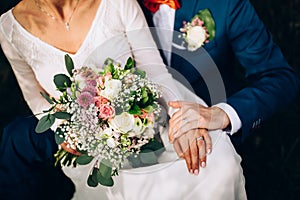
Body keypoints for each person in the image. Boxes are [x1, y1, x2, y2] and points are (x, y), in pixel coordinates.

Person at [0, 0, 247, 199]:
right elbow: (35, 98)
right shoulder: (9, 29)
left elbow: (154, 70)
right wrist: (65, 133)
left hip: (152, 118)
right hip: (92, 151)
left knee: (215, 168)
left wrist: (180, 119)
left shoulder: (117, 3)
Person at [138, 0, 300, 162]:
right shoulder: (121, 5)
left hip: (209, 140)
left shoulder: (227, 4)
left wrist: (222, 114)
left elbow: (280, 78)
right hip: (135, 139)